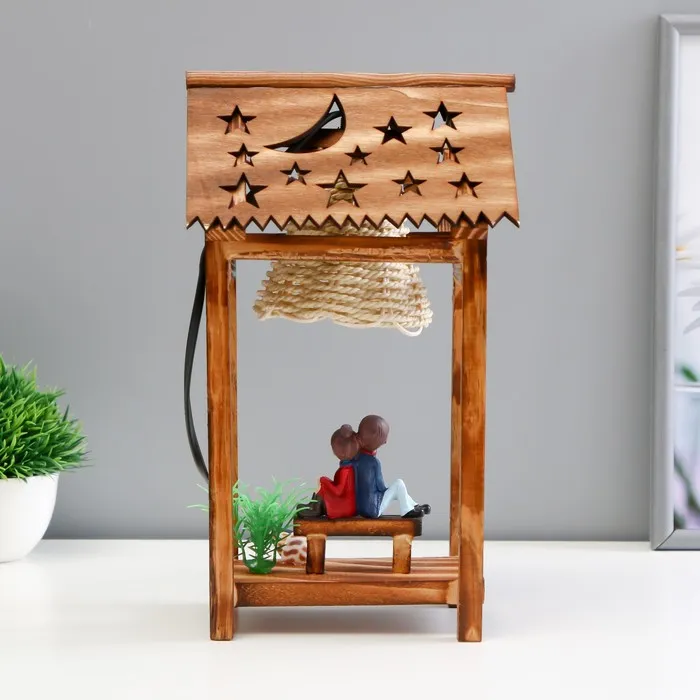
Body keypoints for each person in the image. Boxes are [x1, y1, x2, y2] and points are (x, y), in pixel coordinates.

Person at [354, 415, 430, 519]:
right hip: (373, 509)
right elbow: (381, 487)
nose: (385, 442)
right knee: (399, 484)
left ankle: (414, 505)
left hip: (361, 508)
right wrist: (390, 492)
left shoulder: (357, 458)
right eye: (383, 438)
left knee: (396, 490)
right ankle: (406, 510)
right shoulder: (374, 462)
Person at [297, 424, 359, 519]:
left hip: (345, 506)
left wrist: (324, 480)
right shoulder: (347, 468)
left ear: (342, 452)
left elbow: (338, 491)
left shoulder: (346, 470)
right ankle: (313, 505)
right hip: (346, 503)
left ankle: (315, 509)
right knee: (324, 486)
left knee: (324, 485)